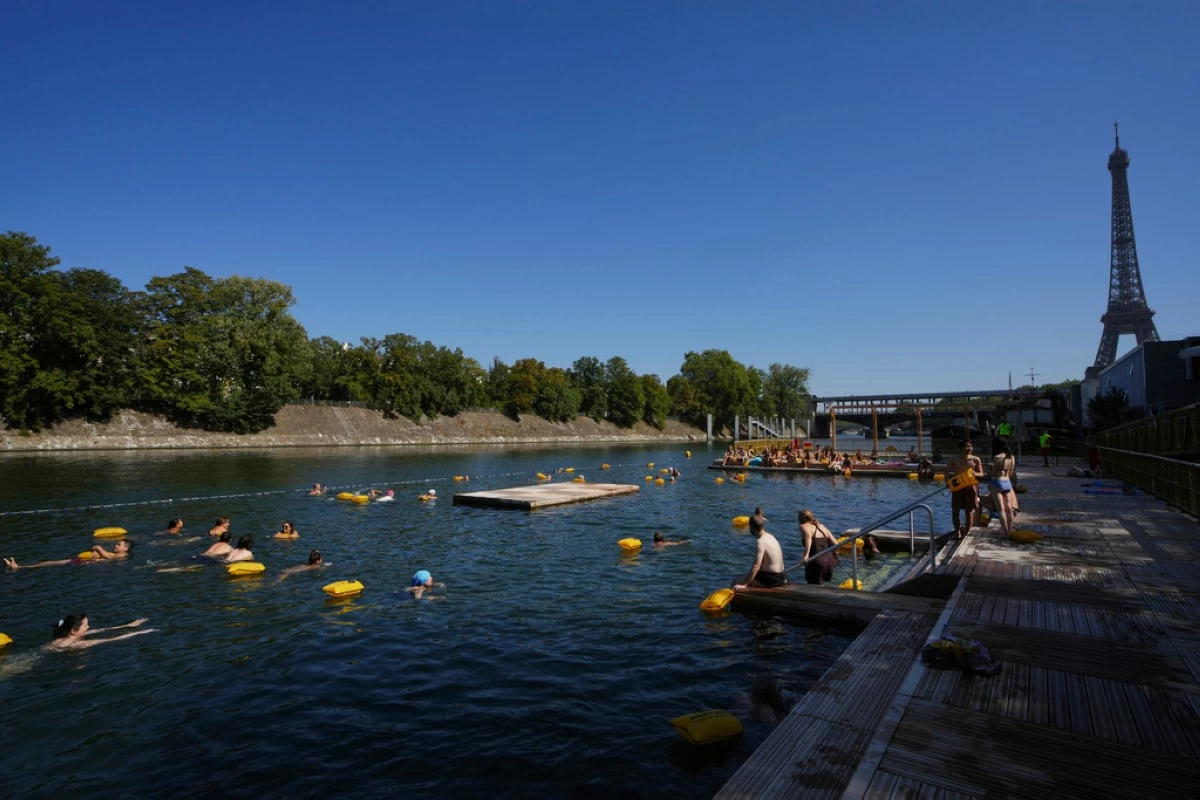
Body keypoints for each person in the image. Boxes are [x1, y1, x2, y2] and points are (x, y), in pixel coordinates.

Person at [45, 614, 156, 651]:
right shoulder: (74, 644)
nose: (88, 627)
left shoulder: (66, 634)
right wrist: (141, 632)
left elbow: (102, 630)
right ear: (74, 631)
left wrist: (129, 625)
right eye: (85, 626)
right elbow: (110, 640)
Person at [732, 516, 787, 589]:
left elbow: (756, 566)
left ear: (751, 527)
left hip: (771, 579)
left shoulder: (761, 541)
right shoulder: (771, 536)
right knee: (746, 576)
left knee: (735, 581)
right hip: (781, 577)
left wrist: (745, 584)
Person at [5, 540, 134, 570]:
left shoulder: (122, 556)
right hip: (81, 561)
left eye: (119, 545)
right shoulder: (118, 555)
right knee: (51, 562)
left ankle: (19, 567)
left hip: (84, 564)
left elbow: (109, 558)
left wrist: (99, 548)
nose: (116, 545)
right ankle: (19, 566)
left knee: (52, 563)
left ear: (125, 549)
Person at [945, 442, 985, 539]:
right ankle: (957, 531)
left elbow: (982, 474)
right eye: (965, 446)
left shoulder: (975, 459)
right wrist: (947, 482)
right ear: (960, 448)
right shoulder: (954, 459)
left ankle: (967, 532)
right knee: (955, 510)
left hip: (970, 487)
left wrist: (975, 473)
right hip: (958, 486)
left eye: (970, 446)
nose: (968, 448)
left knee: (969, 511)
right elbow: (946, 471)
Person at [798, 510, 840, 586]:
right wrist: (835, 556)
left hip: (817, 561)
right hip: (829, 561)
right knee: (821, 586)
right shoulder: (821, 526)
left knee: (813, 587)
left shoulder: (803, 526)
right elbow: (836, 543)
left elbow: (808, 538)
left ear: (800, 519)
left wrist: (806, 555)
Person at [990, 441, 1019, 536]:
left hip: (997, 482)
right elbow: (1010, 472)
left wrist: (987, 470)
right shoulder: (1011, 457)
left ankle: (1006, 532)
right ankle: (1010, 529)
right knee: (1009, 507)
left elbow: (993, 473)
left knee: (1001, 509)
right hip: (1007, 482)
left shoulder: (997, 457)